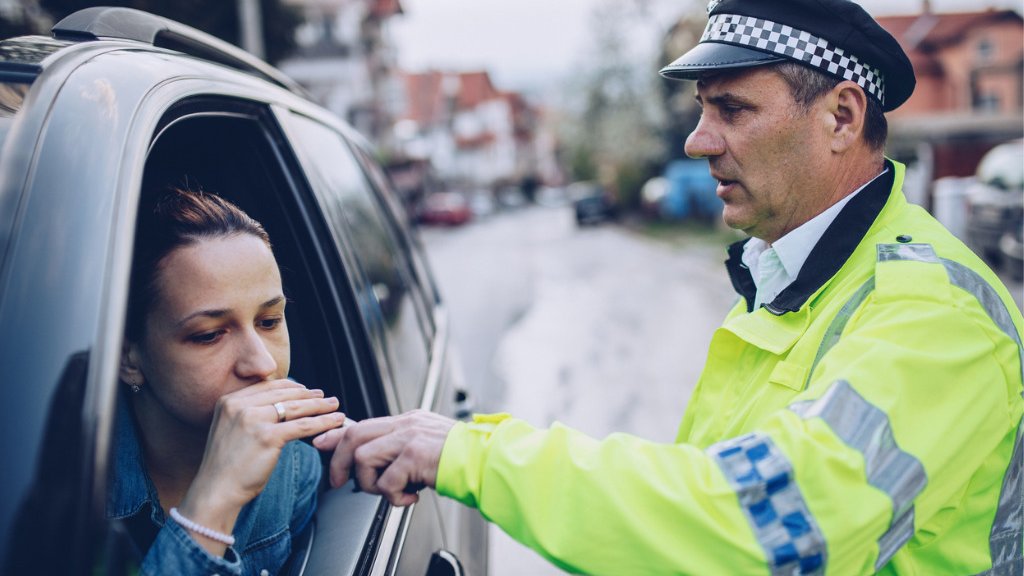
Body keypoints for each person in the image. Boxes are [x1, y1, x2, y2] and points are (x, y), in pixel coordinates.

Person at [315, 0, 1024, 573]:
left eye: (732, 109)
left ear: (841, 117)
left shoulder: (935, 312)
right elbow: (700, 493)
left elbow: (758, 526)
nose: (698, 140)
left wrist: (469, 453)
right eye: (702, 109)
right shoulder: (800, 276)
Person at [110, 188, 346, 575]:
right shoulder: (62, 486)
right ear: (128, 358)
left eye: (269, 322)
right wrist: (214, 502)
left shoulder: (295, 469)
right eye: (209, 335)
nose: (262, 362)